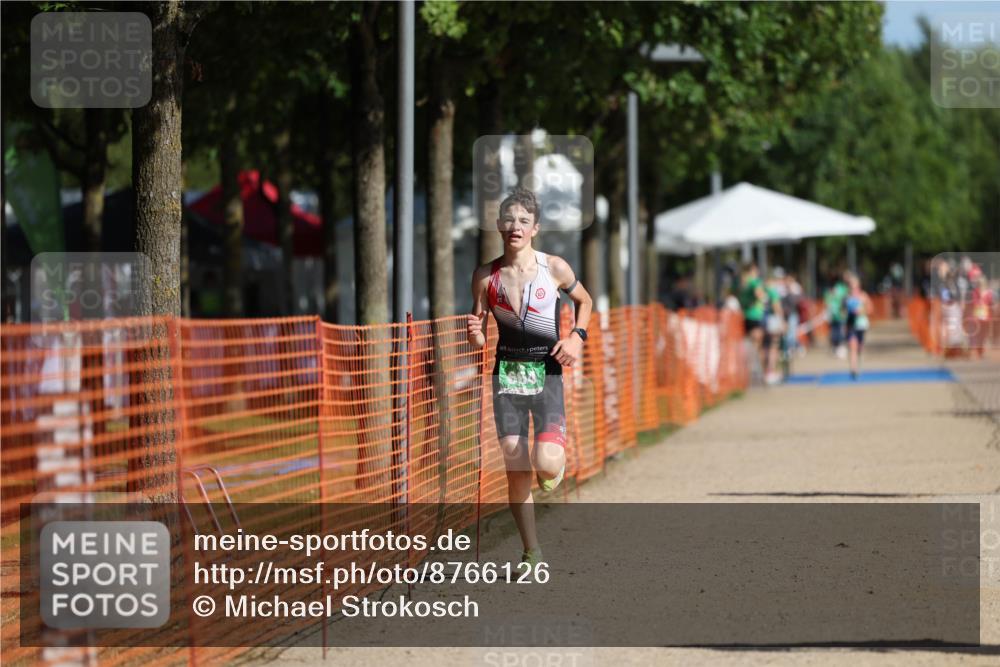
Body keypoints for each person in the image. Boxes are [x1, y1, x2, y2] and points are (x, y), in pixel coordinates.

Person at [467, 186, 593, 565]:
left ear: (535, 228)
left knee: (546, 462)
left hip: (547, 372)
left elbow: (584, 301)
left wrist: (576, 337)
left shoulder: (553, 267)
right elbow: (477, 321)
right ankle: (531, 551)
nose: (515, 227)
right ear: (498, 226)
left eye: (523, 220)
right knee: (514, 460)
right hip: (507, 374)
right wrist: (475, 334)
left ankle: (553, 465)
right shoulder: (485, 276)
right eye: (508, 220)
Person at [843, 273, 873, 380]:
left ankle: (857, 364)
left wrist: (861, 311)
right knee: (853, 346)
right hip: (851, 325)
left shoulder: (863, 296)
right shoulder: (847, 297)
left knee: (859, 347)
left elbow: (870, 309)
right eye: (851, 285)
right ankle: (853, 370)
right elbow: (843, 311)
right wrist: (848, 311)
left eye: (855, 285)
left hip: (861, 325)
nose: (853, 288)